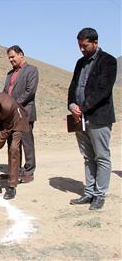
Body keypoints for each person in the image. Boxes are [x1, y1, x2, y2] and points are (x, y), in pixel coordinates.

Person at [68, 28, 117, 210]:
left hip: (98, 117)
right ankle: (88, 192)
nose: (81, 49)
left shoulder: (108, 61)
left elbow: (103, 90)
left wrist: (84, 108)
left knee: (101, 156)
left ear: (95, 42)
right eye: (80, 46)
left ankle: (99, 195)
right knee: (88, 157)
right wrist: (72, 105)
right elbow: (73, 86)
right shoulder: (80, 62)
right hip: (79, 118)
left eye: (85, 46)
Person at [3, 45, 38, 183]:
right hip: (11, 114)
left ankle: (28, 172)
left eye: (13, 56)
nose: (11, 60)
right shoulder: (9, 74)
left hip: (25, 112)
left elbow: (30, 91)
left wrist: (14, 104)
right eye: (9, 58)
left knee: (27, 143)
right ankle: (14, 171)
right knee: (12, 143)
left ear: (21, 54)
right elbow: (5, 92)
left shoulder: (32, 70)